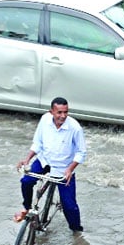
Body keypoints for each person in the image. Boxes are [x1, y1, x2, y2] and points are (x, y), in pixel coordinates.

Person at [14, 97, 86, 233]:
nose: (63, 116)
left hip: (63, 168)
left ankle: (77, 232)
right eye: (59, 112)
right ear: (51, 112)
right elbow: (37, 143)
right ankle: (27, 208)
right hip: (44, 160)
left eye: (65, 112)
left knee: (69, 206)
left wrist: (70, 169)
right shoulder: (45, 120)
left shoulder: (75, 128)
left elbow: (81, 152)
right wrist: (27, 159)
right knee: (26, 181)